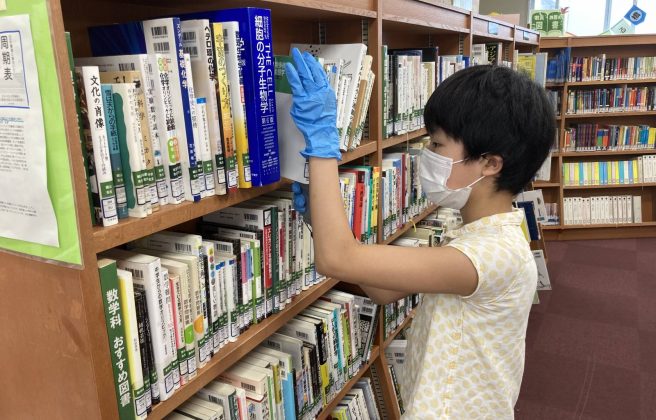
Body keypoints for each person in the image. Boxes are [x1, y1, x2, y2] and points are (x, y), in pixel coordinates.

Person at [285, 48, 556, 419]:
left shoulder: (489, 256)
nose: (427, 153)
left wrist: (322, 146)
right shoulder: (478, 237)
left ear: (490, 163)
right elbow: (382, 290)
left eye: (438, 144)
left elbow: (336, 259)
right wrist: (319, 218)